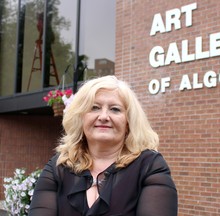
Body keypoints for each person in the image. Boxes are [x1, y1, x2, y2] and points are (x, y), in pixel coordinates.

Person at [29, 75, 178, 216]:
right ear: (80, 118)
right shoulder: (58, 166)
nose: (104, 117)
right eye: (94, 107)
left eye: (115, 109)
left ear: (128, 122)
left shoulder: (150, 166)